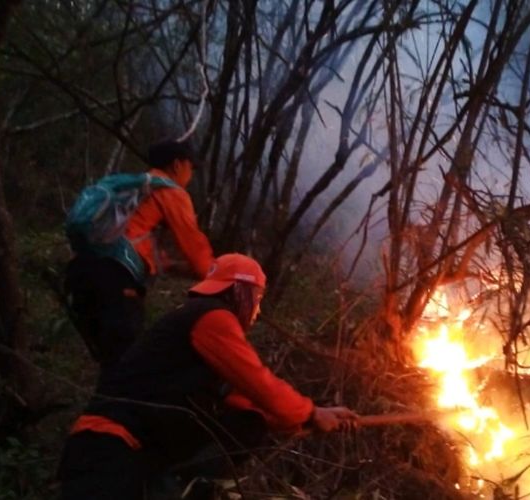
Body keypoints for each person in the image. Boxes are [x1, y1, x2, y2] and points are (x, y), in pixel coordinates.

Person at [57, 253, 358, 499]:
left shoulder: (197, 324)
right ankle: (185, 480)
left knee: (250, 423)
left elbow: (248, 404)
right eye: (258, 297)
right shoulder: (212, 318)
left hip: (130, 452)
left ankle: (183, 482)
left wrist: (311, 417)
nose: (257, 310)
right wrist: (309, 412)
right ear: (241, 291)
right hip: (107, 445)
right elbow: (258, 381)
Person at [64, 140, 213, 367]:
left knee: (111, 360)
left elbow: (135, 239)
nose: (190, 175)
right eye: (190, 168)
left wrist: (166, 265)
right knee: (126, 364)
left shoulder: (134, 189)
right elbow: (195, 247)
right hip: (115, 280)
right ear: (177, 165)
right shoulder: (169, 191)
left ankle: (108, 401)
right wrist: (217, 277)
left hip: (79, 274)